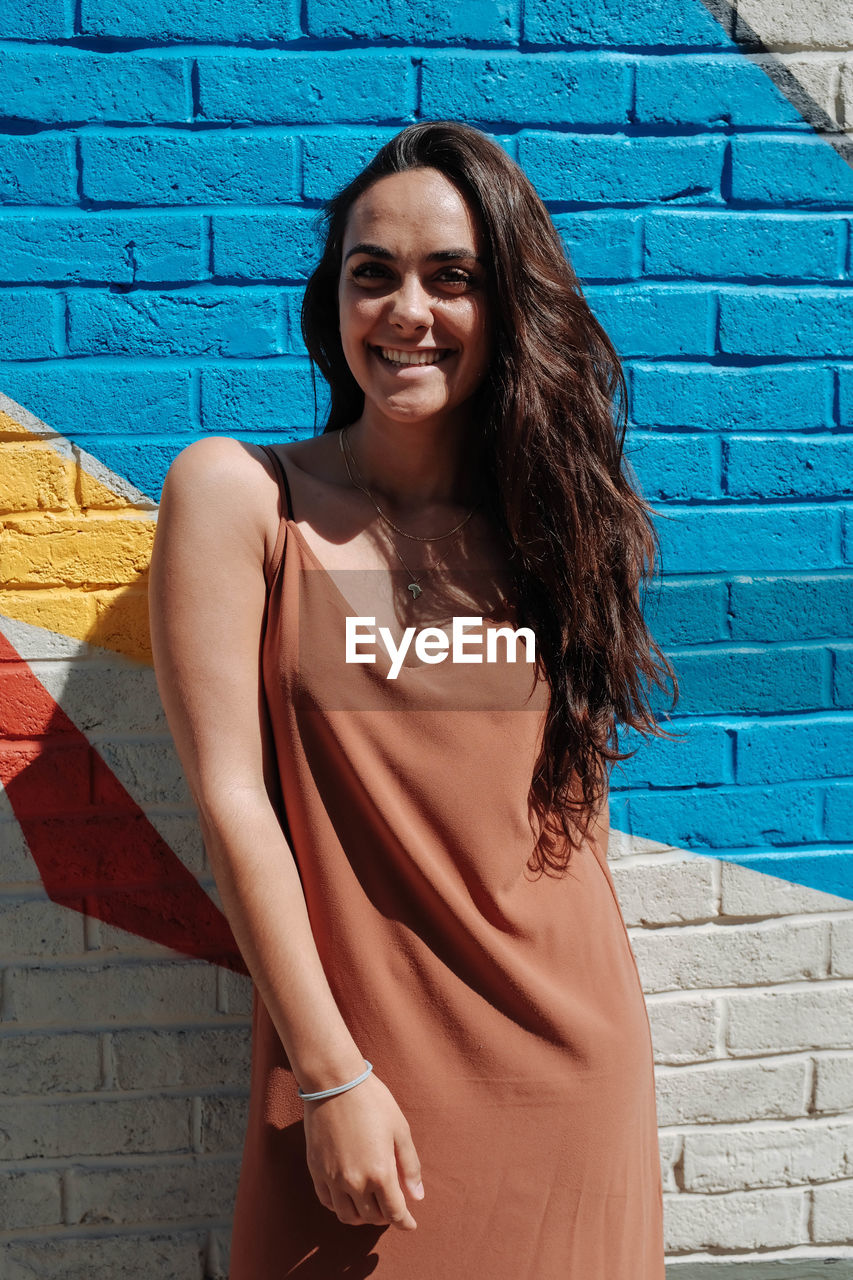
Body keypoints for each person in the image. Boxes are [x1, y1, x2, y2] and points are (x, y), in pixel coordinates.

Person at [148, 119, 678, 1279]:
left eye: (452, 278)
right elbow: (235, 807)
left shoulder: (548, 527)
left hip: (566, 1064)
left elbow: (560, 814)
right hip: (351, 1076)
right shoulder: (242, 497)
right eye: (371, 273)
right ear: (332, 301)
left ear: (504, 309)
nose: (406, 312)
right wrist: (331, 1072)